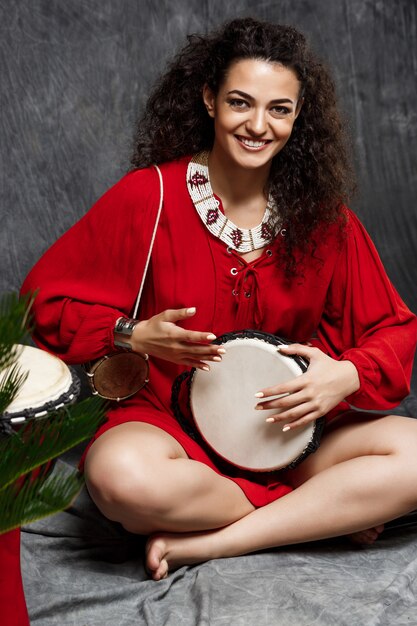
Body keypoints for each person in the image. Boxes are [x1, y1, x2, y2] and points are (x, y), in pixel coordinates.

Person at [22, 17, 417, 581]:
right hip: (167, 428)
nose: (258, 125)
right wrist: (131, 334)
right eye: (240, 102)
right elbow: (44, 303)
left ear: (298, 116)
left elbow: (395, 327)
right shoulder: (149, 197)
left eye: (279, 109)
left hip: (296, 438)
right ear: (209, 99)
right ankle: (322, 512)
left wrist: (346, 376)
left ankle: (218, 541)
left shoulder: (325, 220)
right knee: (119, 481)